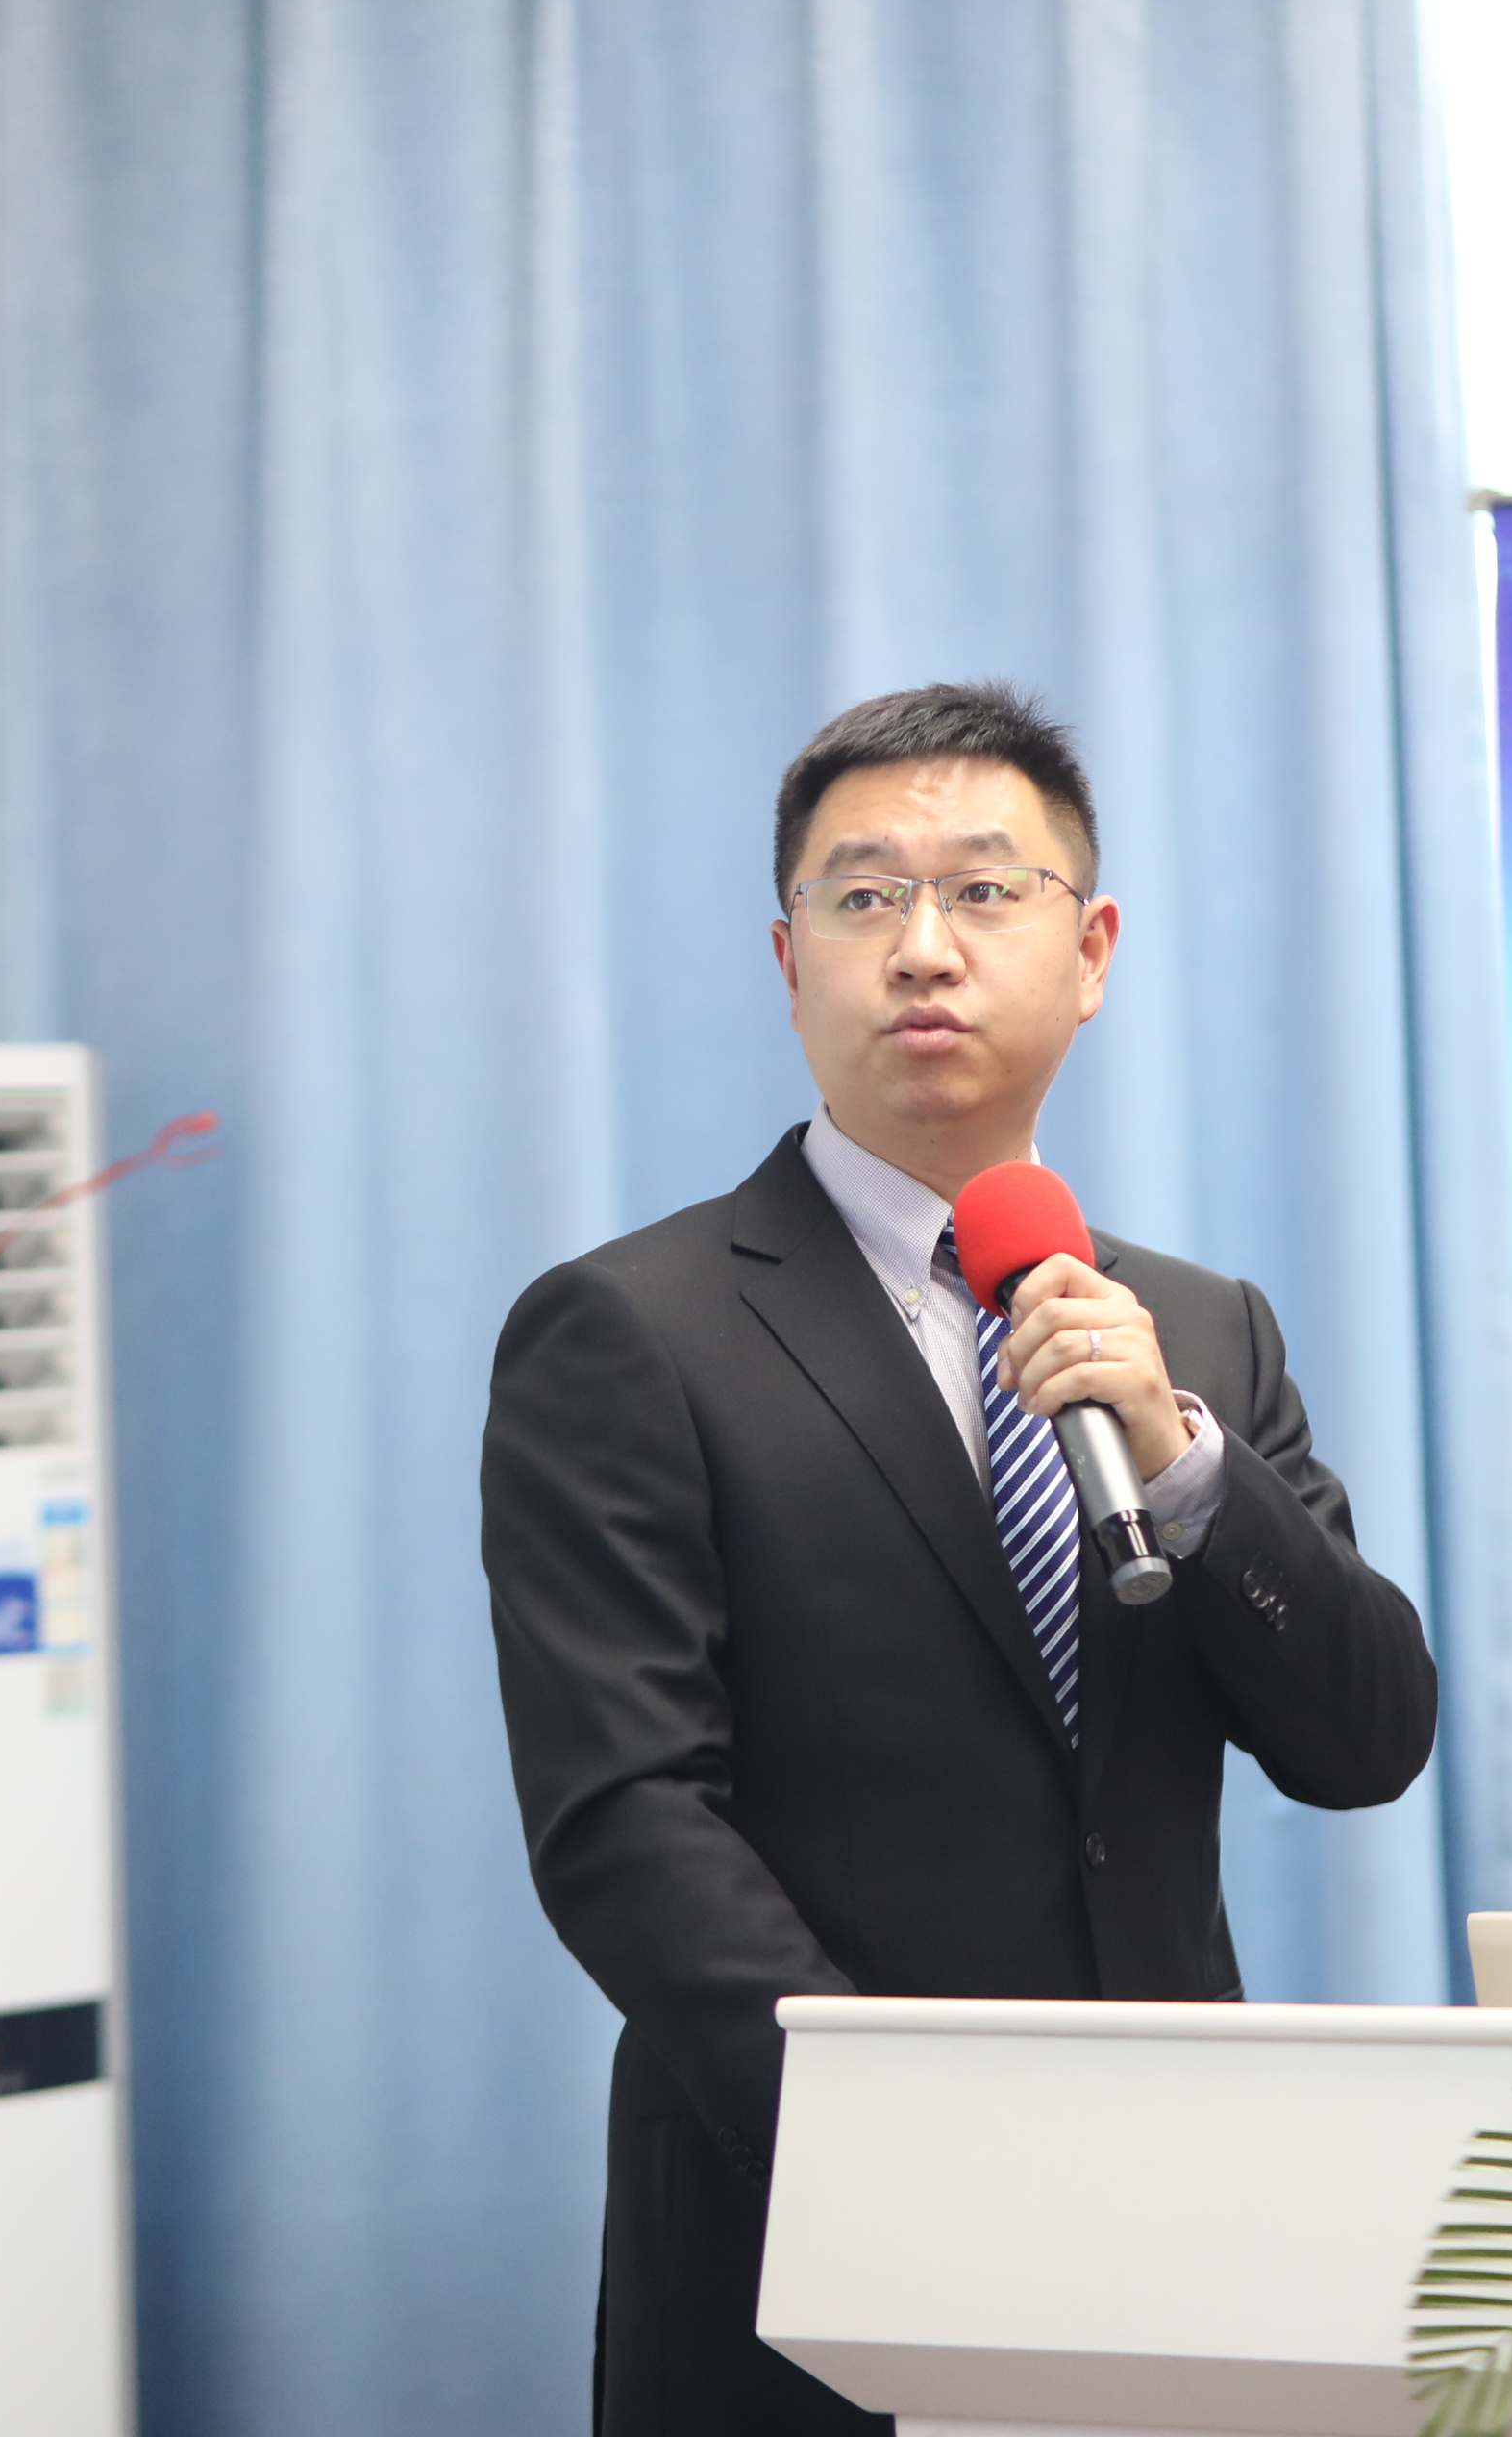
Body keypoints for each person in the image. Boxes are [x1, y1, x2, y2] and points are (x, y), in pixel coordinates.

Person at [482, 682, 1441, 2437]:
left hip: (1177, 2219)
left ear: (1093, 952)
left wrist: (1186, 1462)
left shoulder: (1200, 1330)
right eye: (866, 897)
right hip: (809, 2234)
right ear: (790, 963)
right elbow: (624, 1821)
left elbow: (1367, 1742)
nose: (925, 947)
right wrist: (901, 2148)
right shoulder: (631, 1330)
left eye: (987, 891)